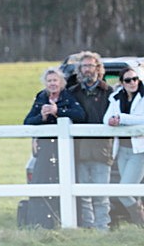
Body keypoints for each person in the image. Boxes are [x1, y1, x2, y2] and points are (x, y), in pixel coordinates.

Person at [23, 67, 86, 228]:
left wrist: (59, 111)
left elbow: (80, 115)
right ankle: (40, 223)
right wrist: (42, 117)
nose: (52, 84)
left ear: (61, 82)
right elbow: (27, 122)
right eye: (49, 81)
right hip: (44, 150)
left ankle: (65, 221)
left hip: (63, 150)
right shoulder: (40, 98)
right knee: (40, 182)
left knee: (64, 181)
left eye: (55, 80)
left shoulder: (69, 97)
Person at [69, 51, 114, 230]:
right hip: (79, 150)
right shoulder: (73, 93)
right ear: (80, 70)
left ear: (98, 68)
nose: (88, 69)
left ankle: (102, 229)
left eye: (91, 65)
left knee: (101, 194)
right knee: (83, 195)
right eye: (85, 66)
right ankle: (88, 229)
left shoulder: (109, 92)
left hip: (102, 150)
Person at [103, 66, 144, 226]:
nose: (132, 82)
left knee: (124, 191)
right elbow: (106, 118)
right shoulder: (116, 97)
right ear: (122, 83)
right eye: (128, 80)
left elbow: (141, 119)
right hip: (122, 150)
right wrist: (113, 120)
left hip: (139, 150)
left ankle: (141, 222)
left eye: (135, 79)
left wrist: (121, 118)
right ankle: (140, 229)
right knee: (133, 191)